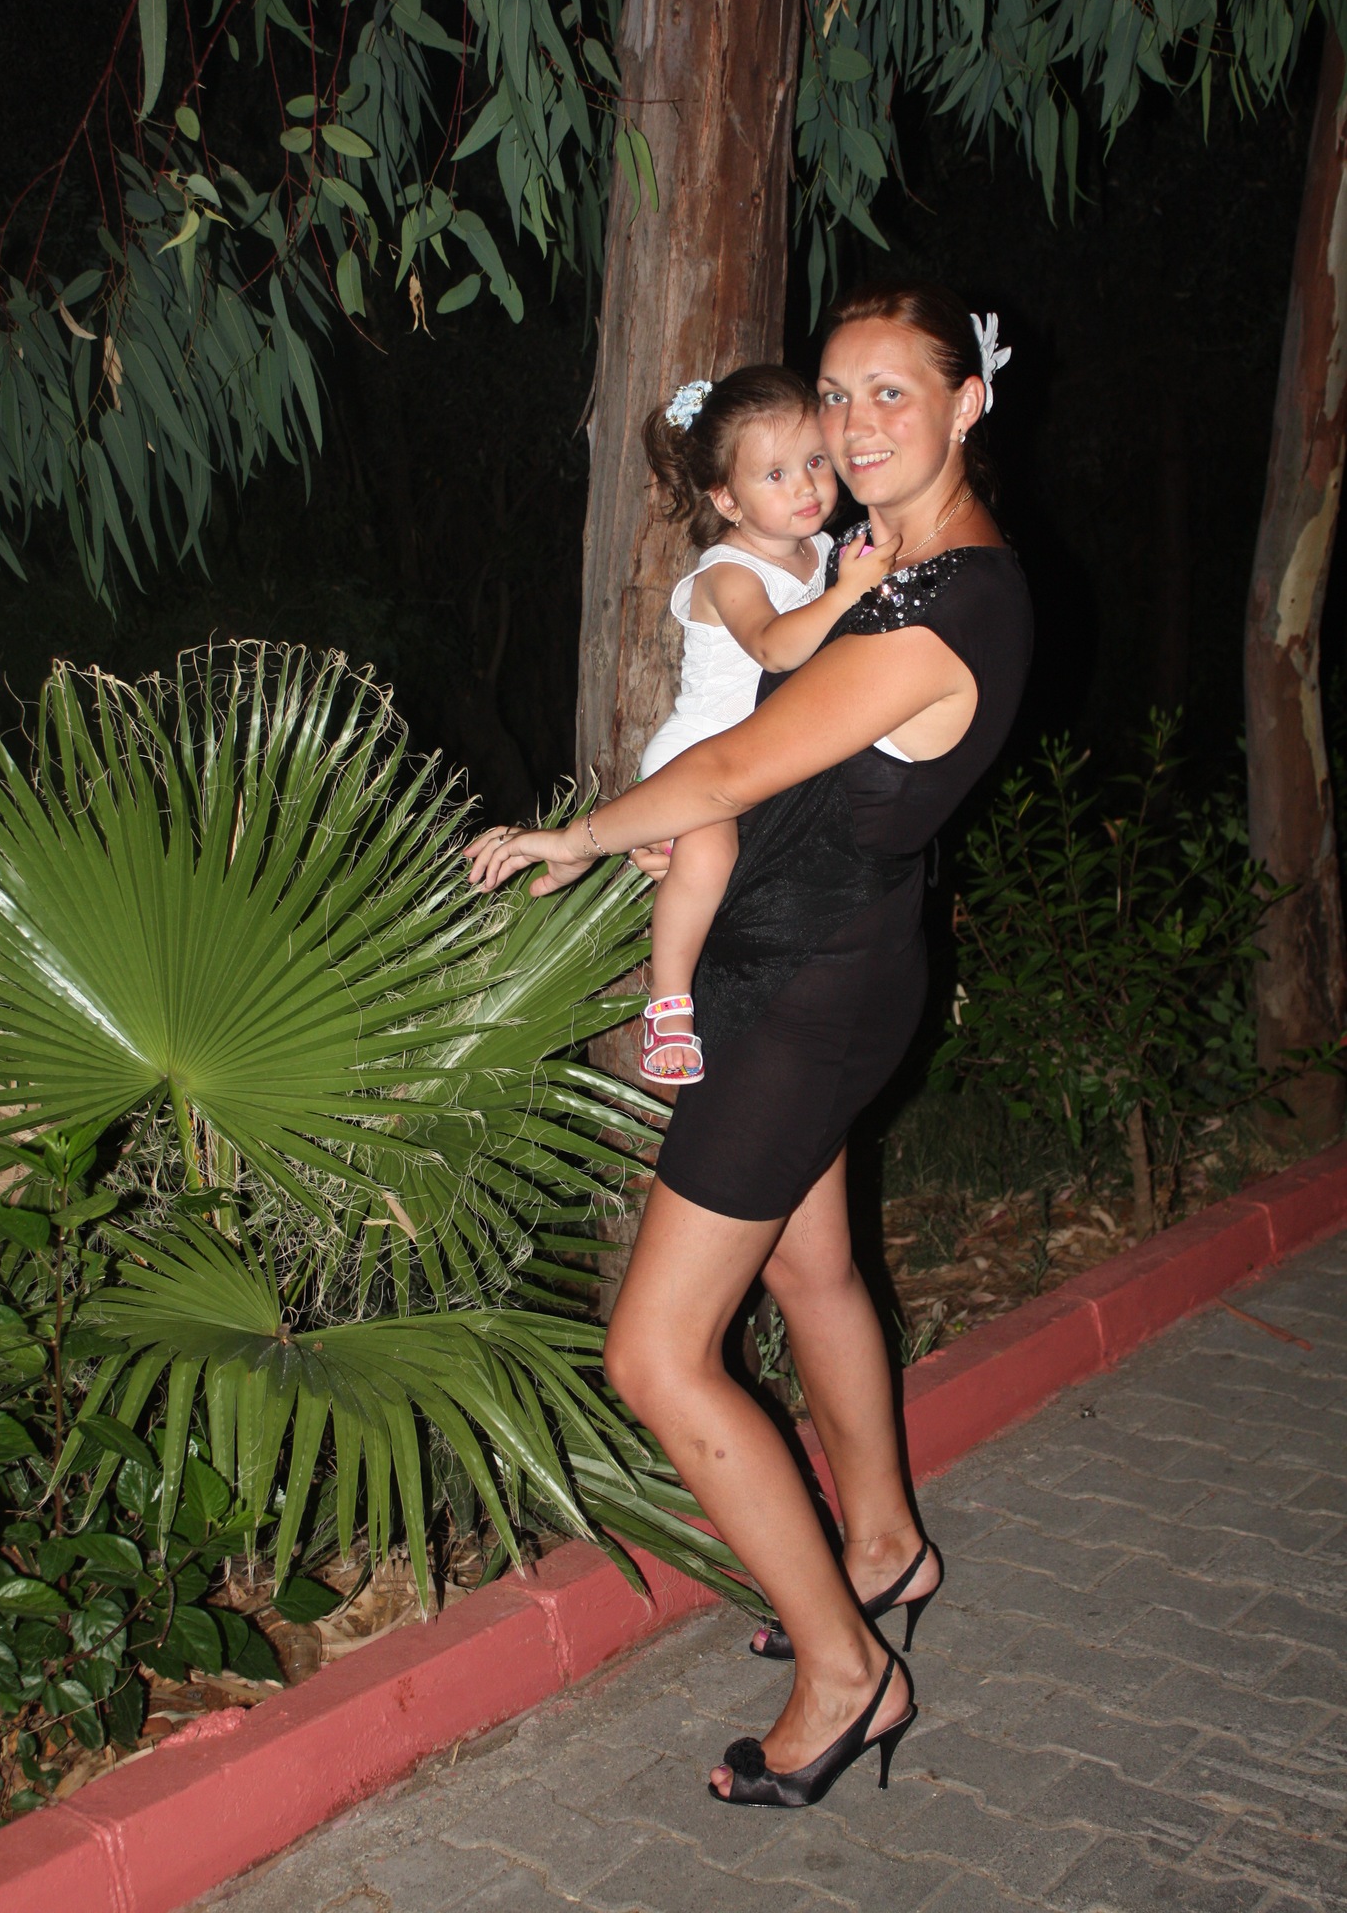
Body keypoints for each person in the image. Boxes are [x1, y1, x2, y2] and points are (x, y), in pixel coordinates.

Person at [467, 281, 1031, 1811]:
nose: (853, 423)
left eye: (891, 392)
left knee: (655, 1355)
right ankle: (881, 1548)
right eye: (836, 393)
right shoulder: (889, 570)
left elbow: (734, 763)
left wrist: (582, 836)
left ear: (966, 403)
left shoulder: (947, 606)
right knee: (810, 1269)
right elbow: (800, 772)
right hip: (817, 960)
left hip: (801, 997)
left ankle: (851, 1673)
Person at [636, 365, 897, 1084]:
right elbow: (775, 648)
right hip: (701, 752)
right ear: (726, 497)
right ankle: (667, 1001)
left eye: (815, 461)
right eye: (775, 475)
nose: (806, 487)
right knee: (710, 853)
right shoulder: (729, 570)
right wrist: (846, 592)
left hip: (764, 753)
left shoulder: (822, 548)